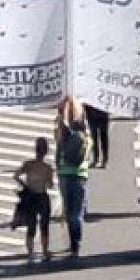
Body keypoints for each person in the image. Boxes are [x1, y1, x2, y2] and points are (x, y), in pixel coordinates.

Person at [54, 99, 90, 257]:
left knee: (68, 211)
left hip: (64, 175)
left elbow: (60, 132)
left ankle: (72, 241)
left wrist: (63, 110)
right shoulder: (87, 140)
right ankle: (77, 243)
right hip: (79, 177)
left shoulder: (65, 136)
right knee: (77, 212)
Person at [13, 137, 56, 262]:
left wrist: (24, 184)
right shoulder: (48, 168)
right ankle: (45, 251)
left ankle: (30, 252)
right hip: (42, 196)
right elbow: (50, 185)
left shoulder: (28, 164)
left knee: (31, 225)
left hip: (30, 196)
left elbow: (16, 175)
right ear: (46, 151)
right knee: (44, 225)